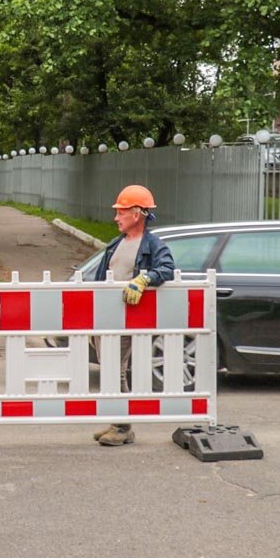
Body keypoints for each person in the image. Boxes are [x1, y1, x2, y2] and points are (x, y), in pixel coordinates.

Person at [91, 184, 175, 447]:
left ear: (137, 214)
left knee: (116, 369)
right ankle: (119, 420)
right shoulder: (117, 243)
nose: (116, 217)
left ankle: (123, 426)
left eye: (122, 212)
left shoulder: (152, 245)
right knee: (111, 370)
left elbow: (167, 268)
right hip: (107, 317)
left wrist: (145, 278)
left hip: (127, 319)